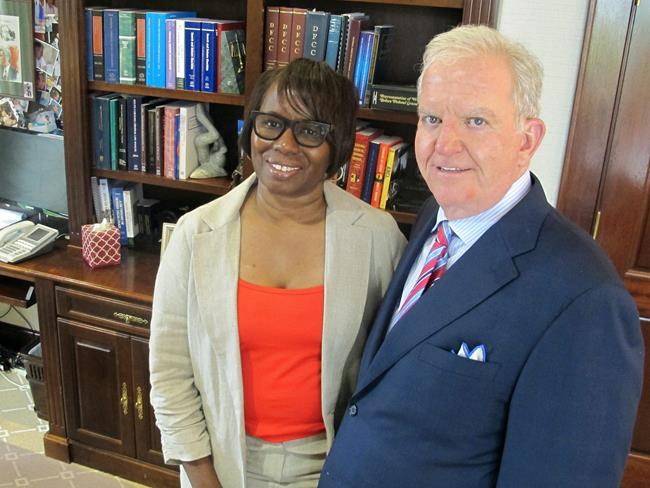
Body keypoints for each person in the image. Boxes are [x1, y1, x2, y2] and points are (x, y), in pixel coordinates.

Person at [319, 25, 643, 488]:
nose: (445, 144)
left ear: (527, 139)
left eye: (475, 121)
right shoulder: (435, 216)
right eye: (432, 118)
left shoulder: (585, 299)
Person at [149, 58, 406, 488]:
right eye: (271, 124)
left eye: (310, 131)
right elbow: (170, 370)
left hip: (335, 465)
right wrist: (202, 475)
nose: (284, 145)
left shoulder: (378, 237)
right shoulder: (197, 233)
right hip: (224, 462)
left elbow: (390, 371)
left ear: (338, 145)